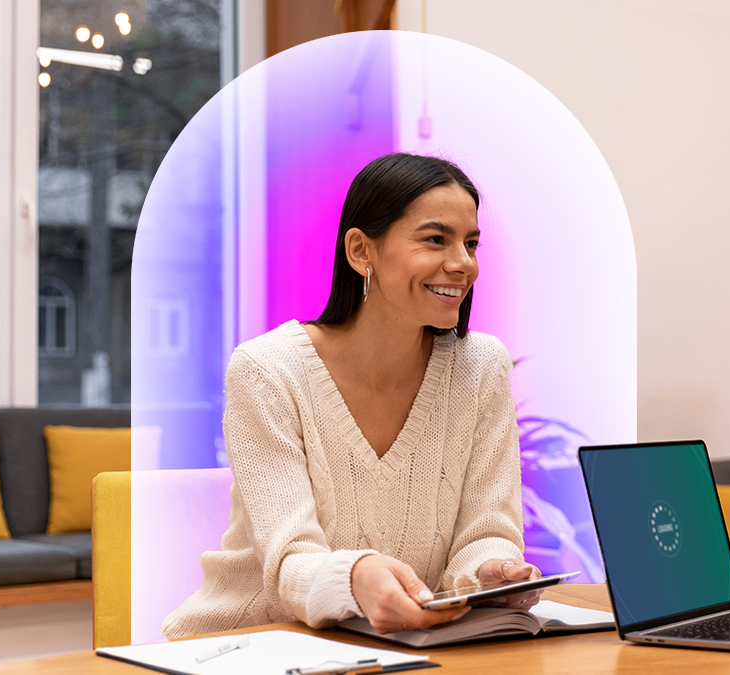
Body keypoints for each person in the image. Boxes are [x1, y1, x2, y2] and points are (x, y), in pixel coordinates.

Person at [163, 153, 540, 639]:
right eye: (435, 240)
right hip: (246, 644)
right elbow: (290, 562)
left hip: (392, 648)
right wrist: (355, 576)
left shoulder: (480, 366)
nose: (463, 264)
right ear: (362, 251)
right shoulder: (268, 371)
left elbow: (488, 532)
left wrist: (490, 572)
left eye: (470, 244)